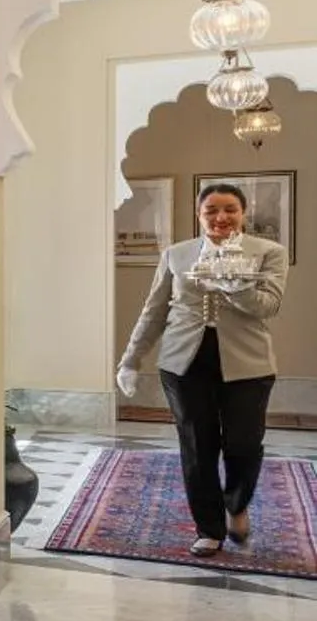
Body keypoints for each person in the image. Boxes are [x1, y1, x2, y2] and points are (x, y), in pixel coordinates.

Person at [117, 182, 290, 556]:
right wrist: (131, 360)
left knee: (244, 444)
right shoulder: (176, 255)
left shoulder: (269, 253)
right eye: (211, 209)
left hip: (248, 365)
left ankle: (237, 505)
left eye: (230, 209)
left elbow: (268, 306)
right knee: (197, 446)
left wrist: (231, 285)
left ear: (243, 214)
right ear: (199, 215)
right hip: (183, 363)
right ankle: (208, 528)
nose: (221, 217)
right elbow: (154, 311)